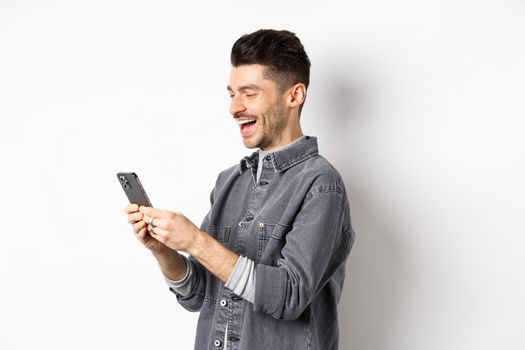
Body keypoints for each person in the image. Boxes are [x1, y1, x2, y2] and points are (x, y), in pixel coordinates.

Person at [124, 29, 355, 350]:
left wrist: (195, 240)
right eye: (231, 93)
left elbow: (289, 297)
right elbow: (198, 295)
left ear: (294, 96)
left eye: (249, 93)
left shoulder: (320, 184)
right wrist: (163, 251)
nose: (234, 107)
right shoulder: (229, 181)